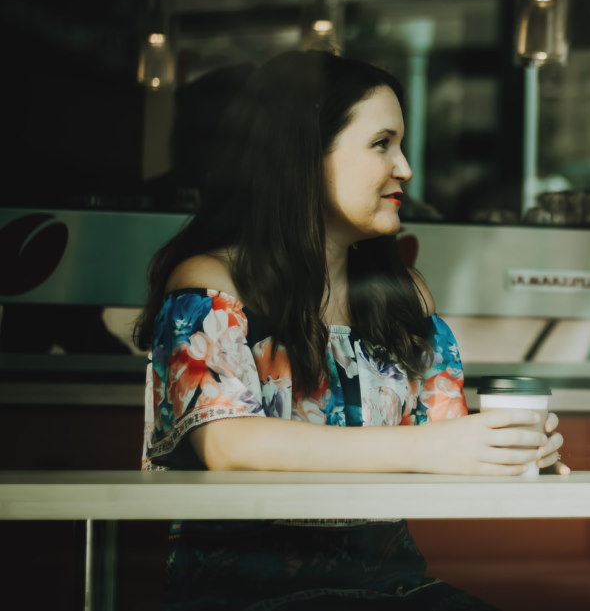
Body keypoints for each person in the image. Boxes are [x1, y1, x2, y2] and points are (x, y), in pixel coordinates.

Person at [135, 50, 568, 611]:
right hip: (249, 594)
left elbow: (442, 438)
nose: (405, 168)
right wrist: (436, 446)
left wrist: (509, 452)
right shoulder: (210, 284)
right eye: (381, 143)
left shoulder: (401, 295)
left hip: (393, 587)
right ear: (303, 156)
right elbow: (227, 443)